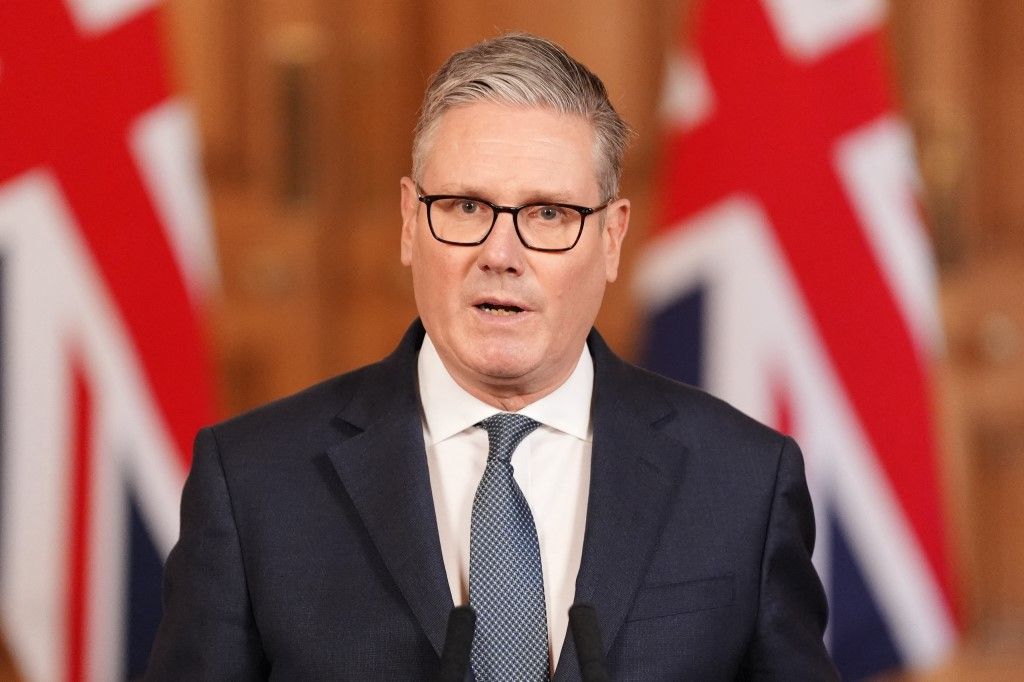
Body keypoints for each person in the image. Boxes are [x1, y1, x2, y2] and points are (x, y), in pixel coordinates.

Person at [147, 33, 838, 680]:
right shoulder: (254, 484)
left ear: (612, 238)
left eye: (547, 215)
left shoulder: (743, 484)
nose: (500, 256)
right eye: (466, 207)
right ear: (410, 223)